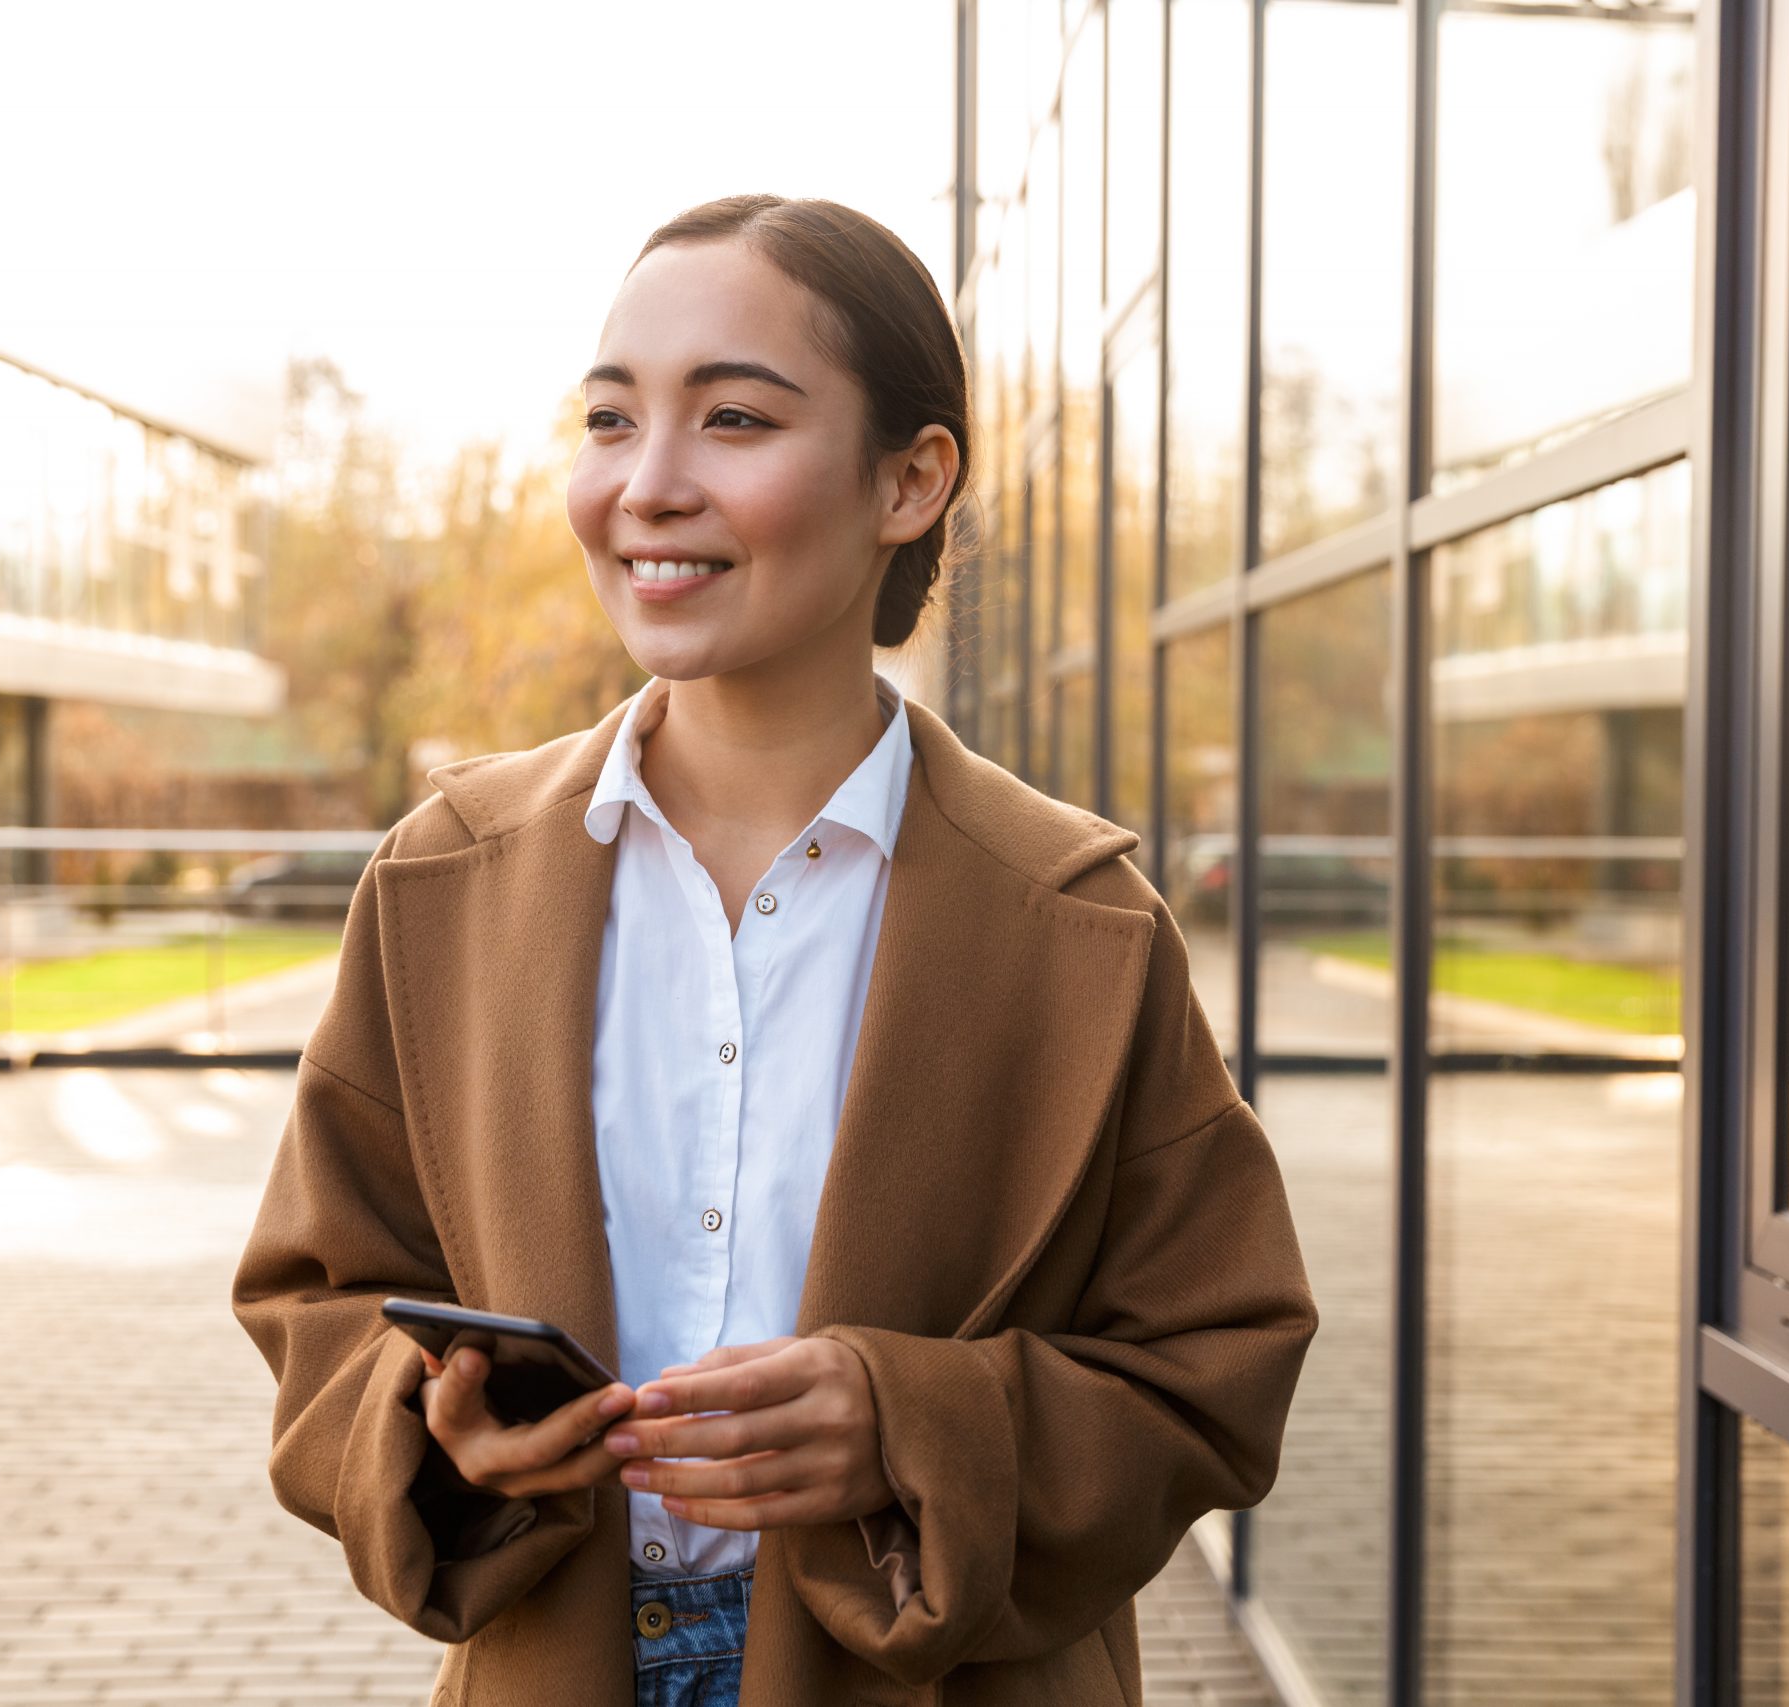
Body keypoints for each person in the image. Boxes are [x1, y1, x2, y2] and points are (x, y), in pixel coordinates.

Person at [231, 193, 1317, 1707]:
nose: (648, 486)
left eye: (733, 420)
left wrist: (911, 1422)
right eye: (610, 422)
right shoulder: (442, 882)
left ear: (909, 481)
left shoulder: (1080, 923)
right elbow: (320, 1300)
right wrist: (431, 1426)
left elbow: (1216, 1356)